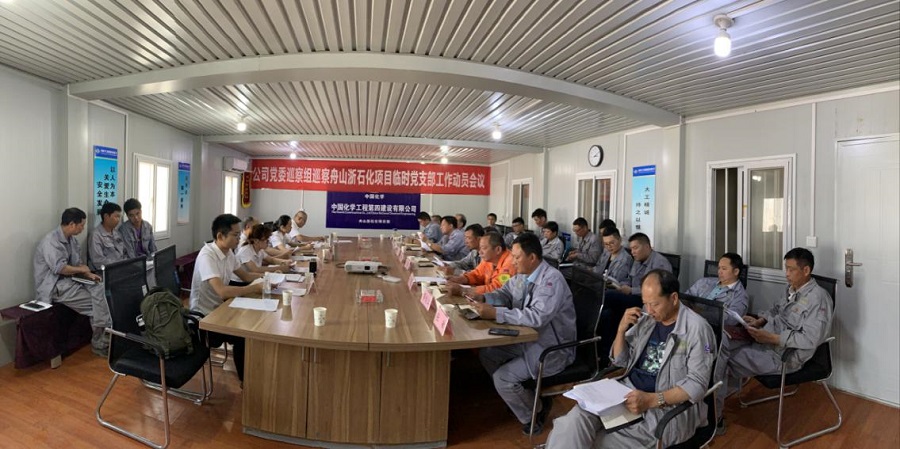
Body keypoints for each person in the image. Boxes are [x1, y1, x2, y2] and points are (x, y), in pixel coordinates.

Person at [546, 270, 717, 448]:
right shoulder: (648, 318)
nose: (649, 310)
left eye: (654, 304)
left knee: (597, 443)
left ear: (673, 298)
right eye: (645, 303)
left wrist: (651, 400)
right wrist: (621, 329)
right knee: (572, 423)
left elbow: (697, 385)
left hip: (662, 409)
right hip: (626, 394)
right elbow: (620, 361)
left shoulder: (697, 329)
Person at [466, 233, 576, 435]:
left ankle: (535, 412)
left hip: (550, 348)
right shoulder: (522, 275)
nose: (513, 262)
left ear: (532, 258)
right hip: (527, 339)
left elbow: (537, 317)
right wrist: (483, 298)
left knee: (502, 378)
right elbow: (505, 293)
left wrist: (496, 313)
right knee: (488, 354)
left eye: (516, 257)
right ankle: (522, 396)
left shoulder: (551, 280)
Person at [714, 248, 833, 432]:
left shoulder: (818, 299)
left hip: (783, 357)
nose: (787, 274)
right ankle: (711, 405)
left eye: (791, 270)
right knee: (719, 343)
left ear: (806, 270)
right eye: (786, 268)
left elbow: (810, 339)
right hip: (764, 340)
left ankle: (715, 419)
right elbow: (776, 310)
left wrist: (772, 338)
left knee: (720, 359)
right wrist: (760, 321)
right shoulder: (791, 289)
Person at [189, 214, 264, 382]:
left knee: (253, 321)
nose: (239, 238)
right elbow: (222, 291)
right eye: (235, 235)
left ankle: (253, 372)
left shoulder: (229, 253)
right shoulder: (207, 256)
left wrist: (267, 277)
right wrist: (254, 288)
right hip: (203, 318)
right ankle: (246, 383)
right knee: (243, 334)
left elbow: (245, 276)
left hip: (220, 309)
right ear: (220, 236)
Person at [34, 207, 109, 356]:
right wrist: (82, 270)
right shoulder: (51, 241)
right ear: (72, 224)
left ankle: (105, 339)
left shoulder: (72, 241)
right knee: (97, 305)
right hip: (56, 285)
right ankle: (99, 344)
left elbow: (78, 264)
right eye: (81, 225)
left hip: (72, 280)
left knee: (101, 289)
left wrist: (88, 274)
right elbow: (60, 268)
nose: (83, 228)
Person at [685, 253, 748, 326]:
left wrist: (700, 313)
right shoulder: (704, 282)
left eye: (724, 269)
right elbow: (685, 298)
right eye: (719, 268)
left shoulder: (740, 296)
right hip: (688, 319)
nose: (719, 272)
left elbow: (730, 320)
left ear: (736, 271)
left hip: (710, 327)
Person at [447, 232, 515, 295]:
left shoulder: (510, 263)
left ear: (498, 250)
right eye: (480, 248)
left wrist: (465, 290)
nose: (480, 252)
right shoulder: (489, 259)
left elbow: (498, 288)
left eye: (484, 248)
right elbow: (477, 274)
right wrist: (462, 279)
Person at [88, 202, 127, 271]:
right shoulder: (96, 235)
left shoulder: (117, 233)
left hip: (122, 269)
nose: (118, 220)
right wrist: (119, 265)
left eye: (119, 217)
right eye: (116, 216)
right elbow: (98, 261)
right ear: (106, 216)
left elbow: (124, 252)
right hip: (107, 271)